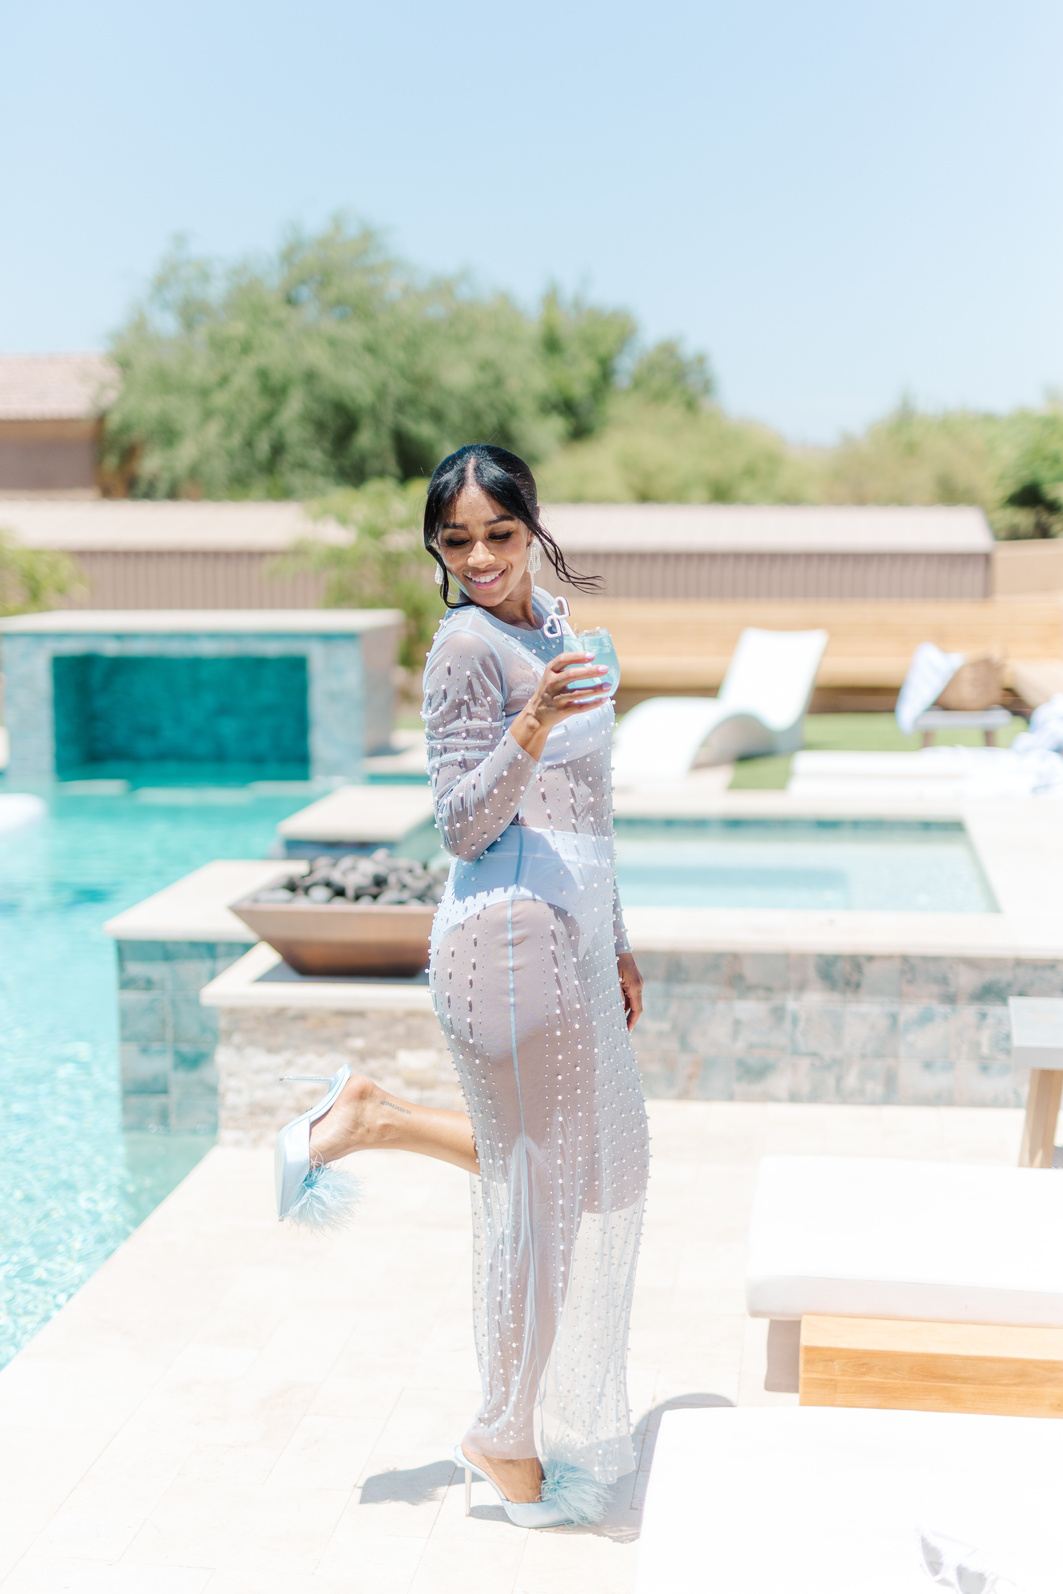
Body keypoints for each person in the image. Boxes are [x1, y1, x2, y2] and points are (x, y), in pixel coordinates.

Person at [278, 443, 649, 1528]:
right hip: (506, 939)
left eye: (497, 533)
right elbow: (461, 825)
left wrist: (619, 938)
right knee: (545, 1193)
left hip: (573, 935)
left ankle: (372, 1114)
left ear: (532, 524)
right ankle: (504, 1430)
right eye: (456, 542)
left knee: (588, 1172)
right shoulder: (464, 651)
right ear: (437, 550)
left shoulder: (560, 633)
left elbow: (594, 806)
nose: (480, 557)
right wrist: (530, 721)